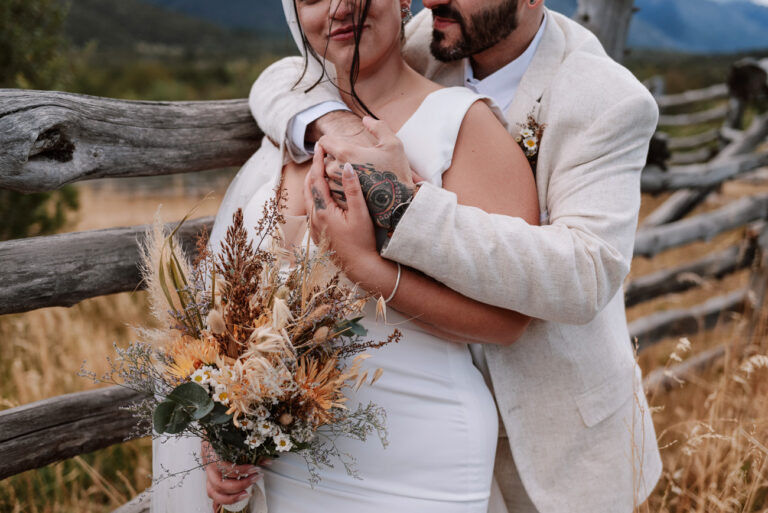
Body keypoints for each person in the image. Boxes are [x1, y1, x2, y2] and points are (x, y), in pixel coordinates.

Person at [246, 1, 664, 512]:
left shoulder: (607, 98)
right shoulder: (432, 36)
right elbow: (288, 74)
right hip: (411, 424)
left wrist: (402, 205)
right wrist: (332, 123)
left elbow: (586, 273)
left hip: (552, 431)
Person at [151, 0, 540, 512]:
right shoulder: (292, 129)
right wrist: (228, 427)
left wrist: (370, 271)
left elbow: (510, 320)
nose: (341, 6)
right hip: (288, 466)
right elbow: (235, 317)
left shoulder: (464, 127)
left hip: (412, 457)